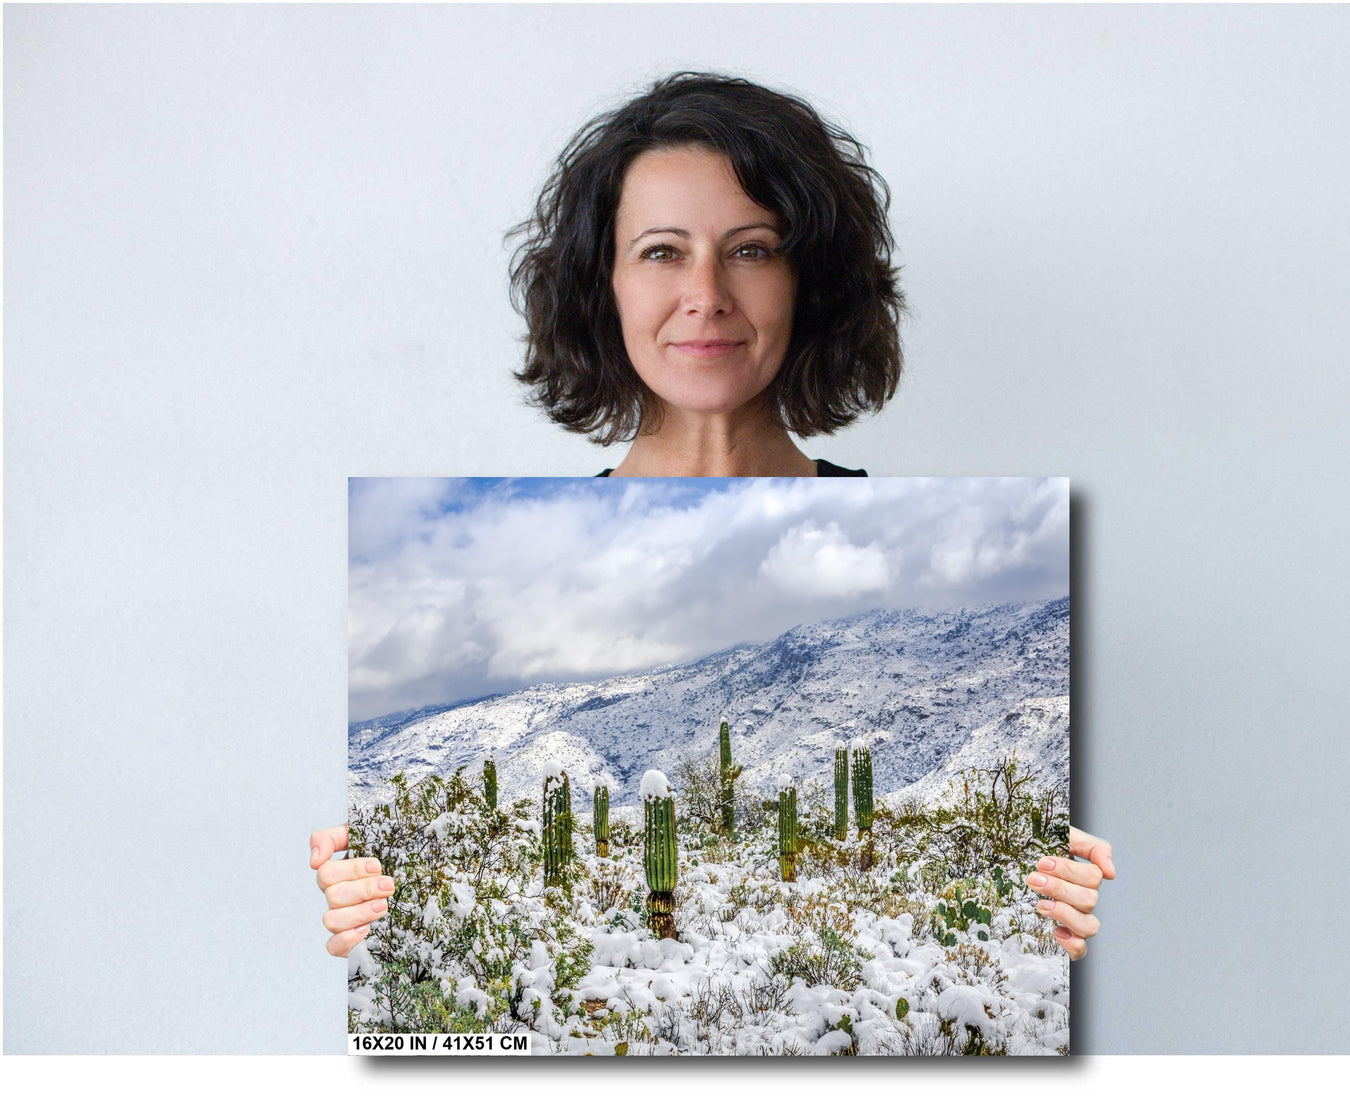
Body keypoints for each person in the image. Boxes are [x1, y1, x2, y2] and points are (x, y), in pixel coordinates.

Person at [313, 72, 1114, 962]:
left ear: (808, 283)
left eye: (751, 249)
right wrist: (372, 918)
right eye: (661, 251)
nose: (706, 293)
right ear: (602, 285)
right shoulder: (497, 568)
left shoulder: (942, 530)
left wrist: (1045, 912)